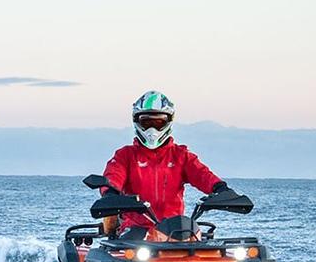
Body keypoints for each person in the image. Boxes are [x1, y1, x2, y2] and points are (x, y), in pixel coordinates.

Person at [101, 91, 236, 233]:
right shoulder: (125, 155)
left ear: (168, 121)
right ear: (137, 122)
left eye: (158, 122)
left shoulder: (181, 156)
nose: (152, 128)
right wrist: (110, 193)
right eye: (146, 122)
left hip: (175, 231)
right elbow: (113, 175)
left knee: (208, 248)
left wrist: (220, 189)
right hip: (136, 231)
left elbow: (202, 174)